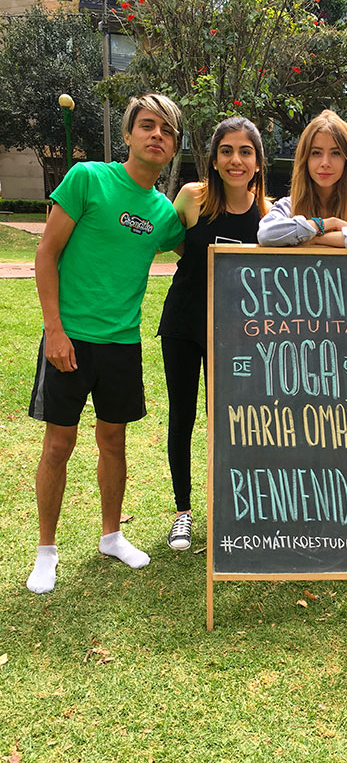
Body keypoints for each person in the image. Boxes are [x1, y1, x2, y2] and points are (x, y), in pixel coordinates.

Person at [27, 93, 189, 594]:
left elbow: (200, 251)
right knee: (59, 443)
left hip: (123, 343)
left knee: (113, 441)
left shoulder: (163, 213)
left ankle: (111, 535)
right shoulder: (87, 179)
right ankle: (46, 551)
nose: (156, 135)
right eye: (147, 125)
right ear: (128, 135)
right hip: (71, 337)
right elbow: (46, 256)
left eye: (166, 130)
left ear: (174, 145)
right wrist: (54, 330)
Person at [158, 116, 270, 551]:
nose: (235, 160)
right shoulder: (192, 197)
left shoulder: (268, 210)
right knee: (182, 414)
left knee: (235, 421)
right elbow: (177, 245)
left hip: (240, 335)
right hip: (185, 325)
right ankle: (183, 512)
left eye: (245, 152)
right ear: (214, 158)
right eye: (227, 151)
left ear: (258, 162)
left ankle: (235, 507)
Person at [257, 109, 347, 250]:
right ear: (305, 159)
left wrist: (316, 240)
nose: (325, 162)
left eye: (335, 153)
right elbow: (266, 233)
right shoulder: (291, 204)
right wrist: (328, 224)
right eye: (316, 153)